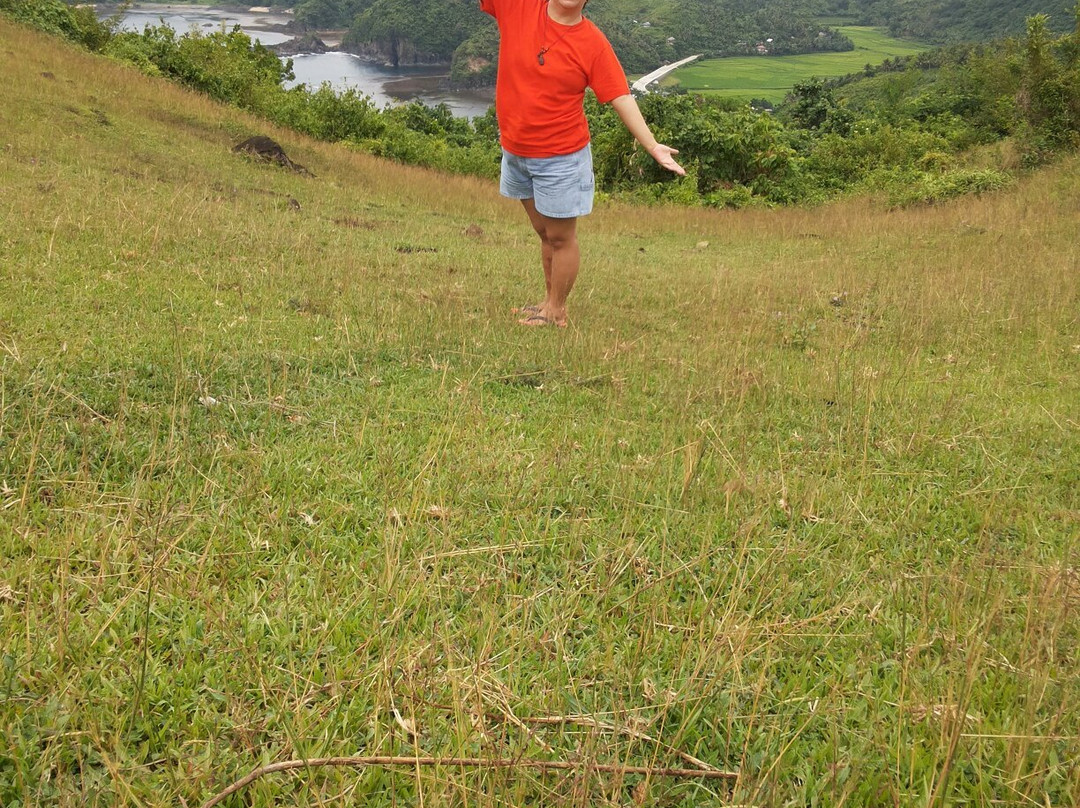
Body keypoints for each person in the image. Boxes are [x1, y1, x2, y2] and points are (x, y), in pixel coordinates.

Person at [479, 0, 685, 327]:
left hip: (560, 158)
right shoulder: (518, 7)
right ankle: (547, 302)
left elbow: (620, 96)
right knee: (545, 233)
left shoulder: (592, 43)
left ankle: (556, 311)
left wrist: (652, 145)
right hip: (516, 152)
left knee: (560, 238)